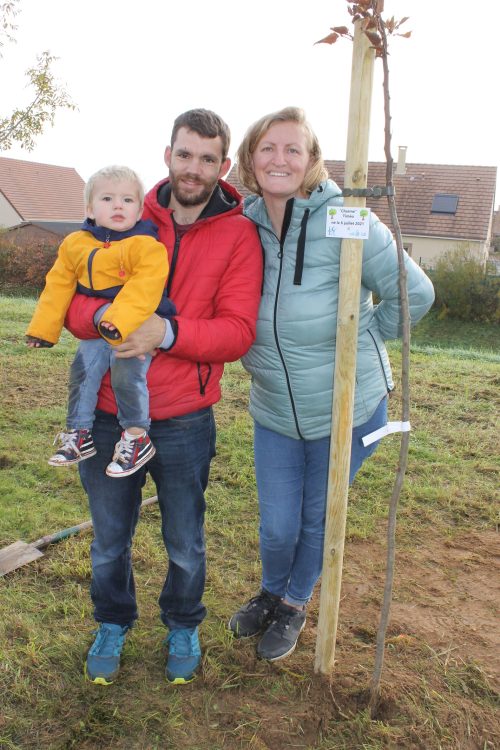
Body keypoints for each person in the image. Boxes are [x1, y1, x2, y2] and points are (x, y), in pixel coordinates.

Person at [63, 109, 263, 685]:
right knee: (109, 539)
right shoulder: (126, 212)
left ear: (223, 165)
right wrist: (108, 320)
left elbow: (237, 331)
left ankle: (181, 623)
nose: (193, 168)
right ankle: (112, 622)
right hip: (109, 411)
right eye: (185, 154)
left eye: (207, 158)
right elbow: (72, 298)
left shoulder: (239, 235)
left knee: (184, 541)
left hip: (183, 418)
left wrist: (166, 333)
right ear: (168, 154)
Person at [228, 107, 435, 661]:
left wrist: (367, 336)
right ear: (250, 158)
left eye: (293, 149)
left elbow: (415, 293)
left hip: (348, 405)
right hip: (275, 408)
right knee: (278, 526)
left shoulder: (347, 219)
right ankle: (271, 592)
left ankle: (294, 604)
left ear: (313, 160)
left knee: (317, 518)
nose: (280, 159)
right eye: (268, 148)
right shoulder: (242, 224)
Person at [26, 165, 173, 477]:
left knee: (126, 373)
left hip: (134, 322)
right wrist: (43, 329)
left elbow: (145, 286)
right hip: (97, 329)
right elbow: (58, 286)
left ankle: (137, 436)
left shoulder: (147, 245)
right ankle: (78, 434)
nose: (118, 205)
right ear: (90, 209)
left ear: (139, 210)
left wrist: (118, 321)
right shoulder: (75, 244)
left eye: (127, 200)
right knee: (83, 370)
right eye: (107, 199)